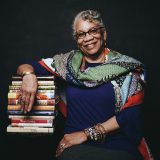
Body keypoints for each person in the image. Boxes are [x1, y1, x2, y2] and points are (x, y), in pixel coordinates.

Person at [16, 10, 153, 160]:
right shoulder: (67, 63)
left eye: (93, 31)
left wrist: (85, 134)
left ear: (103, 33)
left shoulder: (127, 67)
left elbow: (130, 115)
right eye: (81, 34)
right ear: (77, 39)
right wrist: (29, 76)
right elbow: (27, 66)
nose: (88, 38)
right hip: (74, 147)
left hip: (116, 146)